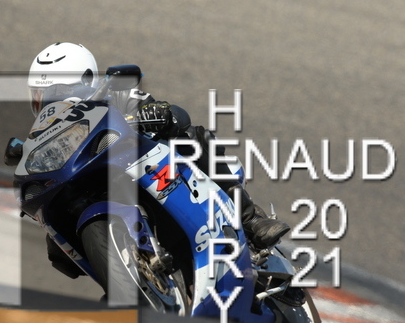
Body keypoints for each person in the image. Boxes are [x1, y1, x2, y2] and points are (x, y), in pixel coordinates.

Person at [17, 42, 289, 278]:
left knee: (194, 136)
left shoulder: (114, 96)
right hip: (88, 186)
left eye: (55, 93)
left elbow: (170, 114)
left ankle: (251, 220)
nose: (47, 103)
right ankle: (130, 283)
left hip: (151, 171)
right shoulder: (44, 136)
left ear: (85, 81)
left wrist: (158, 113)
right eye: (40, 96)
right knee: (58, 248)